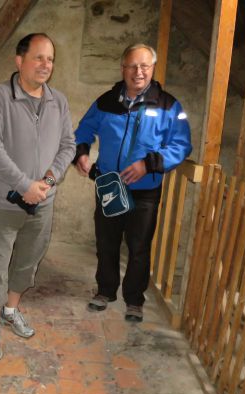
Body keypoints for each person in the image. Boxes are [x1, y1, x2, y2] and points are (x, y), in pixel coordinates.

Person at [73, 43, 192, 322]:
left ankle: (134, 300)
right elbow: (84, 128)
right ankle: (105, 291)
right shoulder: (105, 102)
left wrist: (148, 164)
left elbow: (182, 144)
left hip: (145, 191)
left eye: (144, 66)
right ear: (123, 68)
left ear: (153, 69)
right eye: (132, 66)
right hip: (110, 186)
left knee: (139, 248)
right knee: (106, 242)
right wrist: (81, 152)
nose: (138, 72)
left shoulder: (169, 105)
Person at [0, 33, 75, 361]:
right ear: (19, 61)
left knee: (28, 260)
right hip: (5, 200)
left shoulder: (58, 101)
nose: (46, 64)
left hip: (43, 200)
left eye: (50, 59)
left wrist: (46, 182)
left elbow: (68, 145)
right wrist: (24, 185)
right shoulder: (0, 96)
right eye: (38, 57)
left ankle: (11, 310)